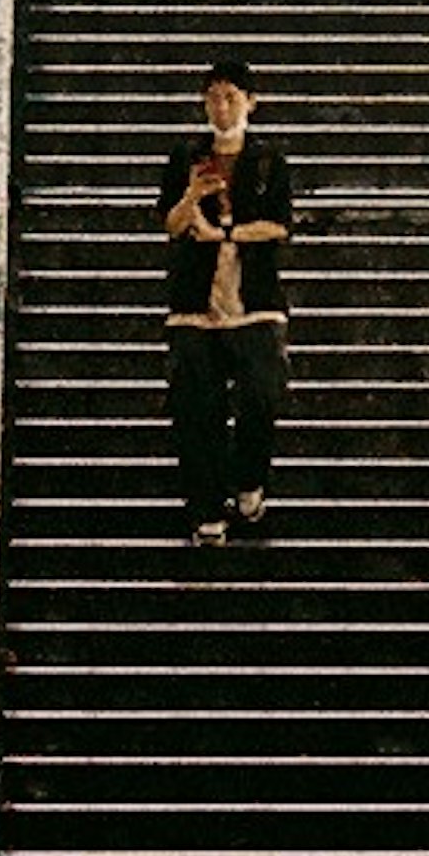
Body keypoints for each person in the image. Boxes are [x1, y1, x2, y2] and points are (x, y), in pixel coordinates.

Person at [158, 59, 293, 552]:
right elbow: (171, 225)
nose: (221, 106)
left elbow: (280, 225)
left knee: (263, 394)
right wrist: (193, 193)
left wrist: (228, 233)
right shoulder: (186, 157)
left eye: (231, 97)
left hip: (255, 301)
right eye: (213, 97)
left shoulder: (268, 161)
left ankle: (248, 480)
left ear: (250, 102)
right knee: (197, 412)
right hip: (195, 304)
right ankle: (207, 509)